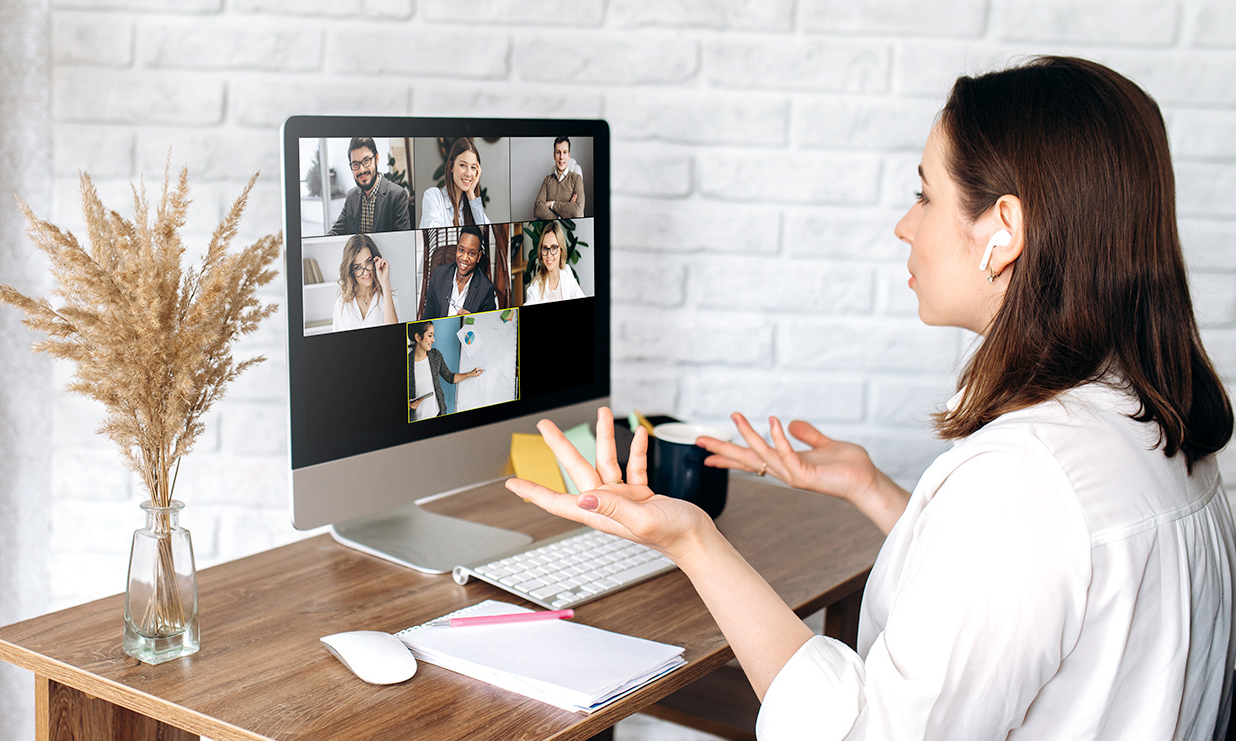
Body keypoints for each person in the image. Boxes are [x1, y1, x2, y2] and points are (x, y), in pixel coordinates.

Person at [507, 56, 1236, 740]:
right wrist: (878, 491)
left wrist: (692, 541)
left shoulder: (1023, 482)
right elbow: (1040, 595)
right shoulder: (1154, 420)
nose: (905, 224)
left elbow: (863, 730)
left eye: (926, 193)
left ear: (1004, 230)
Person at [326, 137, 412, 236]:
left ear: (377, 159)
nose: (361, 170)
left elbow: (402, 240)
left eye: (366, 161)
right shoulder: (351, 197)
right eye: (355, 164)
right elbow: (336, 231)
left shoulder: (397, 196)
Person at [407, 320, 484, 421]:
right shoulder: (407, 363)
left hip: (438, 414)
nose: (433, 340)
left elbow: (450, 377)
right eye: (430, 336)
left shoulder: (436, 356)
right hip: (416, 420)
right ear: (418, 337)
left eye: (433, 335)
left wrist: (469, 374)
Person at [421, 226, 497, 319]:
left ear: (479, 256)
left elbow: (488, 328)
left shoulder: (486, 290)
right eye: (461, 250)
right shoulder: (439, 275)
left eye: (471, 253)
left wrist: (472, 322)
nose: (464, 258)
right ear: (457, 249)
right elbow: (427, 318)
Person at [331, 234, 399, 332]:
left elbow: (394, 335)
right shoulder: (341, 303)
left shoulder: (389, 297)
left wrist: (385, 283)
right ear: (350, 270)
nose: (366, 272)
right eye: (358, 267)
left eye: (368, 262)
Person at [421, 137, 488, 229]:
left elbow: (489, 237)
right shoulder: (433, 196)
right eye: (463, 165)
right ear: (451, 166)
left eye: (473, 167)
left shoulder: (469, 204)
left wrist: (471, 195)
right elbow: (434, 238)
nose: (468, 174)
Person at [525, 221, 585, 305]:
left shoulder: (567, 272)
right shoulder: (536, 286)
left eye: (553, 248)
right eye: (545, 248)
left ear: (561, 250)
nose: (549, 255)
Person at [534, 136, 584, 220]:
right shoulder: (547, 180)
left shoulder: (576, 179)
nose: (561, 157)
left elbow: (577, 211)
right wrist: (564, 212)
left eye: (564, 152)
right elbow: (537, 209)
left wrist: (551, 204)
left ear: (568, 155)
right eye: (558, 152)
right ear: (554, 156)